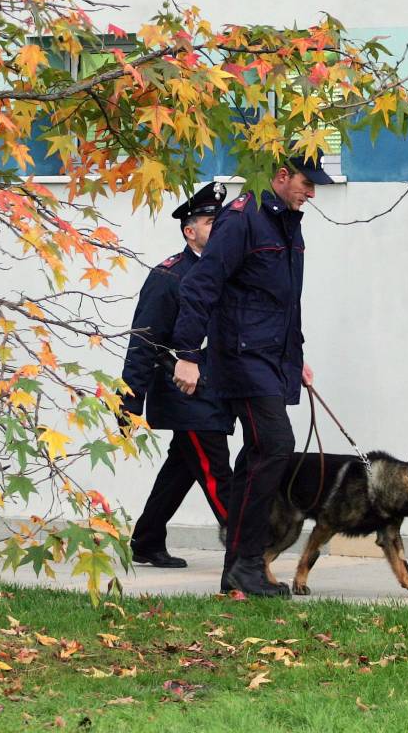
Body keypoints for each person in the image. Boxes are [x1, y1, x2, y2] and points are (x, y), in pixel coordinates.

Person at [171, 149, 334, 597]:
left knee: (256, 458)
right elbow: (200, 285)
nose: (312, 192)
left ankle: (238, 569)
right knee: (275, 445)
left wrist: (294, 357)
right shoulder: (242, 218)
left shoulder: (285, 223)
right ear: (281, 176)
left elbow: (284, 301)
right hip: (241, 358)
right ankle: (247, 565)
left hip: (270, 358)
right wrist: (187, 353)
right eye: (306, 182)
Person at [121, 182, 234, 568]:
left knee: (183, 467)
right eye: (209, 221)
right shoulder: (169, 277)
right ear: (190, 231)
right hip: (184, 393)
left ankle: (147, 539)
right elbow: (143, 341)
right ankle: (246, 551)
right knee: (216, 469)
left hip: (217, 389)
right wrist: (129, 401)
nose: (217, 227)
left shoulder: (228, 269)